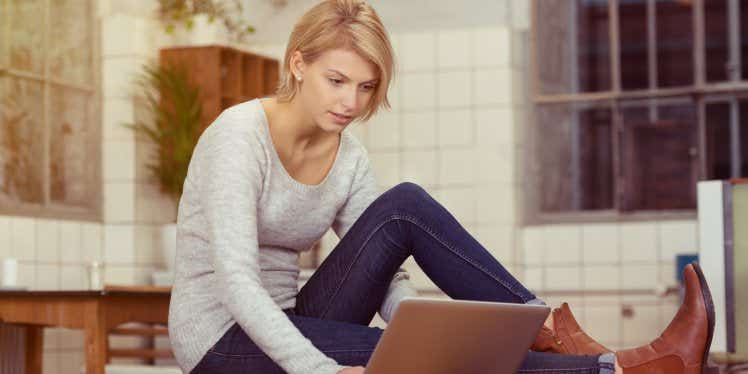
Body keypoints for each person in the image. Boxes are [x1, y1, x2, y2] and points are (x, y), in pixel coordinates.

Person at [167, 1, 715, 373]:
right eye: (336, 81)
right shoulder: (239, 136)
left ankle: (553, 329)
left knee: (405, 213)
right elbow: (238, 283)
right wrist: (319, 370)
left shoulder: (348, 156)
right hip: (221, 339)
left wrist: (419, 326)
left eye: (365, 87)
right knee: (437, 363)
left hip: (296, 316)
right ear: (298, 64)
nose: (350, 103)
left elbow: (382, 269)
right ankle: (615, 367)